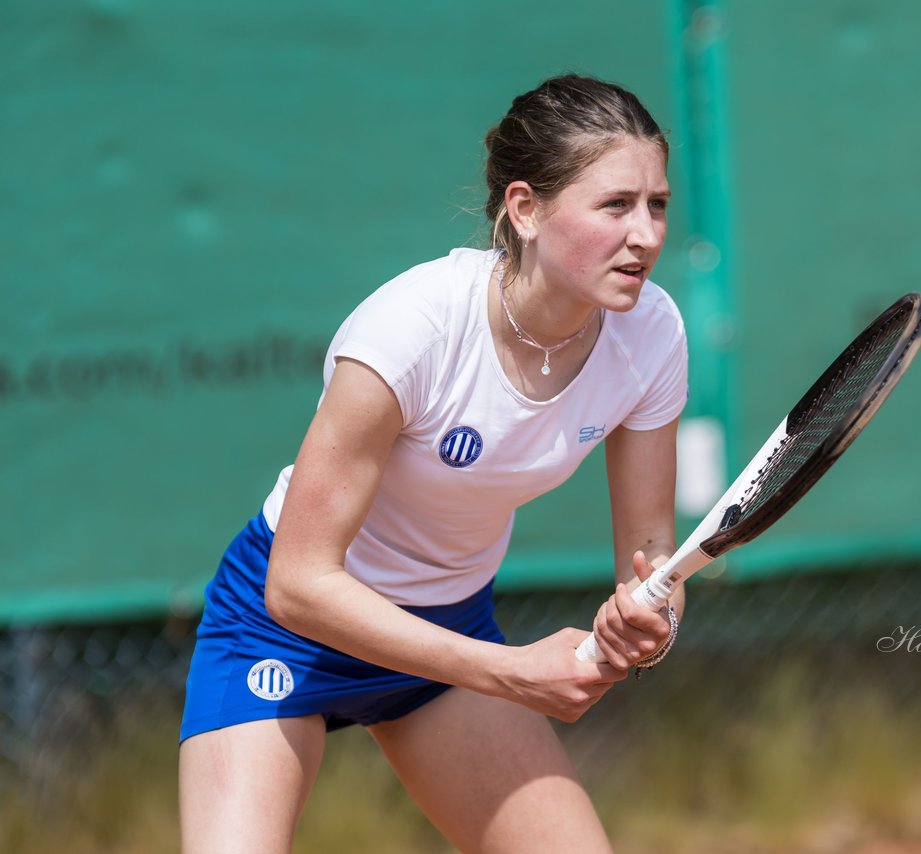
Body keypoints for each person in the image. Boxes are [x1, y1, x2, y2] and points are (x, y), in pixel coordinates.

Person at [178, 73, 687, 853]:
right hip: (284, 628)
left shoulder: (651, 335)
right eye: (615, 205)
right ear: (525, 209)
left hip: (451, 630)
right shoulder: (411, 330)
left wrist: (648, 624)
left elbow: (652, 563)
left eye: (656, 204)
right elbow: (298, 583)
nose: (646, 234)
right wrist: (511, 671)